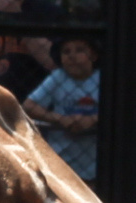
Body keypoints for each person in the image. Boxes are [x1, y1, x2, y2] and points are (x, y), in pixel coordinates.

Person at [24, 35, 101, 181]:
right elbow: (29, 106)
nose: (72, 56)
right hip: (60, 162)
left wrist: (93, 119)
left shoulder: (102, 78)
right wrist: (60, 118)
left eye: (80, 50)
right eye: (66, 52)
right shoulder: (58, 77)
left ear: (93, 55)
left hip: (96, 165)